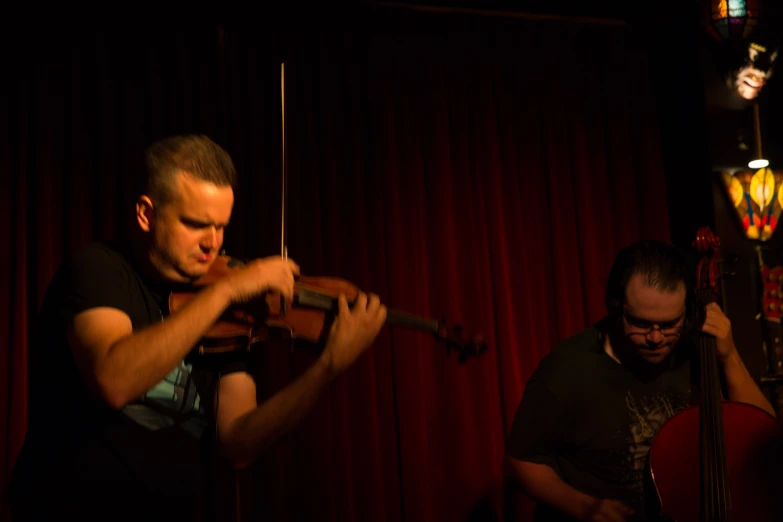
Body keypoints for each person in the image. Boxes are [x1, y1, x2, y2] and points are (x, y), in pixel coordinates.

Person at [8, 134, 388, 521]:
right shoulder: (98, 269)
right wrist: (228, 290)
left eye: (221, 227)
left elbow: (239, 443)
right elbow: (113, 380)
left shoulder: (227, 310)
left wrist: (328, 369)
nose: (213, 243)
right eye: (196, 224)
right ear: (146, 213)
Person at [505, 239, 775, 522]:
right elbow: (520, 460)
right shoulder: (568, 368)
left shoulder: (697, 349)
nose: (656, 338)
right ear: (616, 306)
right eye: (641, 323)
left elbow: (765, 442)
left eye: (670, 324)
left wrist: (729, 355)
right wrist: (583, 507)